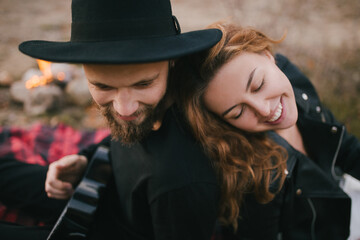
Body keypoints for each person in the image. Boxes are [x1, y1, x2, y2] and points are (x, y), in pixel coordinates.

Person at [0, 0, 223, 239]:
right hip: (94, 187)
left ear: (173, 61)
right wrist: (86, 159)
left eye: (143, 84)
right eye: (103, 86)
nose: (124, 109)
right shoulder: (157, 104)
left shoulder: (181, 183)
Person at [171, 21, 360, 239]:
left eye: (259, 84)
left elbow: (344, 146)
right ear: (224, 124)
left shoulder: (293, 80)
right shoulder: (256, 182)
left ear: (267, 55)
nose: (264, 109)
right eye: (238, 112)